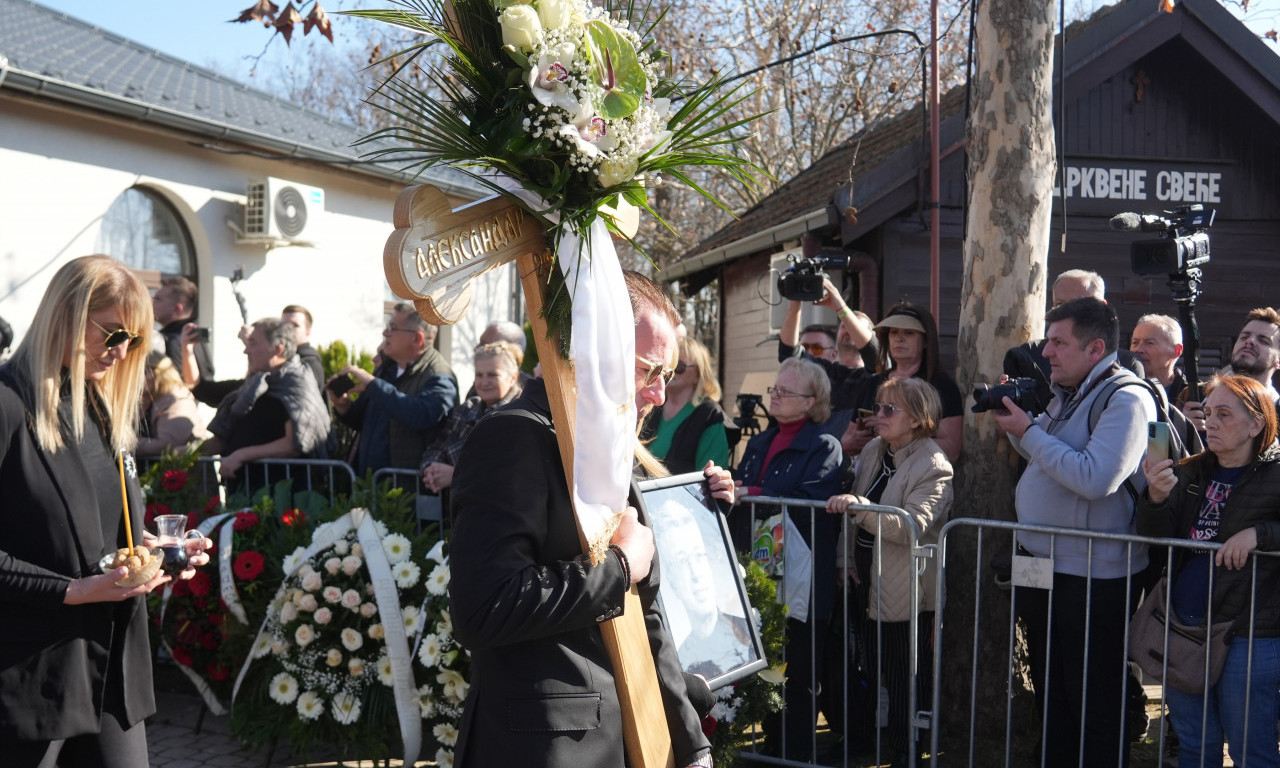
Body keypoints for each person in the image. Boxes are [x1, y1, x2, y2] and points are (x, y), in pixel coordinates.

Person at [448, 270, 728, 767]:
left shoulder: (613, 447)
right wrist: (618, 566)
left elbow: (646, 617)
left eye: (666, 374)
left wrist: (692, 746)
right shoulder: (513, 438)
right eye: (647, 371)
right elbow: (484, 608)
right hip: (544, 749)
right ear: (592, 348)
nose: (659, 394)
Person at [0, 255, 211, 767]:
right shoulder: (7, 404)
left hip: (113, 669)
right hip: (31, 676)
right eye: (113, 334)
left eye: (135, 340)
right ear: (66, 316)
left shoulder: (102, 408)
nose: (122, 352)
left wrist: (156, 551)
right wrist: (72, 591)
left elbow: (97, 532)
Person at [991, 296, 1155, 768]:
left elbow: (1096, 478)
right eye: (1048, 342)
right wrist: (1015, 426)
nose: (1046, 353)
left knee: (1094, 695)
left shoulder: (1125, 398)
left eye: (1058, 342)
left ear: (1095, 346)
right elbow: (1045, 462)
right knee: (1053, 687)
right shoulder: (1070, 392)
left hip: (1094, 576)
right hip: (1046, 566)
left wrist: (1032, 431)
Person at [1137, 374, 1280, 768]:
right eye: (1209, 413)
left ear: (1256, 424)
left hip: (1249, 633)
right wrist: (1155, 497)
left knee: (1252, 752)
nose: (1211, 423)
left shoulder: (1277, 472)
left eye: (1224, 414)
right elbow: (1156, 537)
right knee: (1196, 747)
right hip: (1186, 627)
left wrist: (1260, 534)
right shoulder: (1190, 471)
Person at [827, 377, 952, 766]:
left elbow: (911, 526)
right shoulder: (873, 451)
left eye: (889, 409)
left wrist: (860, 506)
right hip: (866, 577)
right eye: (878, 408)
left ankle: (906, 750)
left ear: (917, 419)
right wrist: (845, 561)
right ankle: (863, 739)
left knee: (903, 674)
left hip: (907, 586)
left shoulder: (934, 465)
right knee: (866, 663)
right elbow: (850, 519)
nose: (878, 416)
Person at [733, 356, 843, 761]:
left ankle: (796, 753)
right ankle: (772, 746)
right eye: (774, 389)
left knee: (798, 672)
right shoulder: (760, 441)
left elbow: (809, 501)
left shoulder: (824, 446)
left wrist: (756, 492)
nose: (774, 396)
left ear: (812, 401)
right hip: (761, 568)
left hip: (802, 577)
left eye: (785, 391)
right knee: (767, 667)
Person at [202, 318, 330, 490]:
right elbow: (226, 436)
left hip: (284, 496)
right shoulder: (257, 382)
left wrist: (241, 455)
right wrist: (182, 454)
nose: (246, 350)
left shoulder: (297, 383)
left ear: (278, 349)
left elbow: (294, 444)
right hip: (246, 490)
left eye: (253, 343)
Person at [330, 303, 457, 474]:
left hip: (407, 492)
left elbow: (420, 415)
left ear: (417, 339)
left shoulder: (439, 375)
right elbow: (362, 421)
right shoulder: (386, 368)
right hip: (372, 484)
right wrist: (343, 406)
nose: (385, 333)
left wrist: (373, 384)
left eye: (392, 328)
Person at [1003, 269, 1145, 414]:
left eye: (1078, 305)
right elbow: (1012, 426)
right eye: (1060, 304)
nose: (1066, 312)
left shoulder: (1128, 365)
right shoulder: (1030, 356)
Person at [649, 492, 753, 681]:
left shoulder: (745, 631)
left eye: (698, 556)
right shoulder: (676, 654)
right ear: (670, 580)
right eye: (682, 562)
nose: (696, 574)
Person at [844, 302, 963, 462]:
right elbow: (846, 440)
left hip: (918, 480)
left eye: (909, 333)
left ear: (926, 341)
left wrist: (893, 436)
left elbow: (952, 449)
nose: (899, 338)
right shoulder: (871, 383)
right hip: (871, 475)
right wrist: (853, 441)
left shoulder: (941, 386)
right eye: (893, 332)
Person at [419, 341, 524, 494]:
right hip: (463, 510)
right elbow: (438, 446)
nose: (484, 382)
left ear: (513, 377)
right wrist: (431, 470)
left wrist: (456, 476)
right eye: (479, 375)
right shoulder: (466, 410)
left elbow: (510, 472)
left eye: (493, 375)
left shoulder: (522, 414)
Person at [779, 276, 878, 414]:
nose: (849, 330)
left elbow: (874, 356)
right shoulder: (826, 371)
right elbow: (789, 355)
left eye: (855, 326)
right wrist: (796, 301)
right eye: (844, 326)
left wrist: (840, 307)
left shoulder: (875, 377)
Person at [639, 336, 731, 475]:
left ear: (698, 374)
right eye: (669, 366)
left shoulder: (710, 416)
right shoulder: (652, 404)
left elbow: (709, 479)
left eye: (680, 366)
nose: (673, 372)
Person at [136, 352, 209, 457]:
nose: (135, 378)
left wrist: (127, 443)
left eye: (143, 372)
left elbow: (167, 445)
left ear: (158, 374)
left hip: (179, 470)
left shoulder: (178, 399)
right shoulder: (146, 398)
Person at [153, 275, 213, 383]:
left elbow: (176, 384)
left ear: (177, 309)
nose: (151, 302)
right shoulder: (195, 335)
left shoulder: (173, 340)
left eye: (158, 299)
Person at [1130, 313, 1187, 404]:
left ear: (1177, 350)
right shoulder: (1122, 388)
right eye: (1135, 343)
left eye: (1149, 343)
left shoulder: (1192, 396)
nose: (1138, 349)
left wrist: (1185, 418)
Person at [281, 304, 325, 395]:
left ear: (308, 331)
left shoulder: (310, 364)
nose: (288, 329)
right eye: (284, 325)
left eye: (295, 325)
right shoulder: (280, 357)